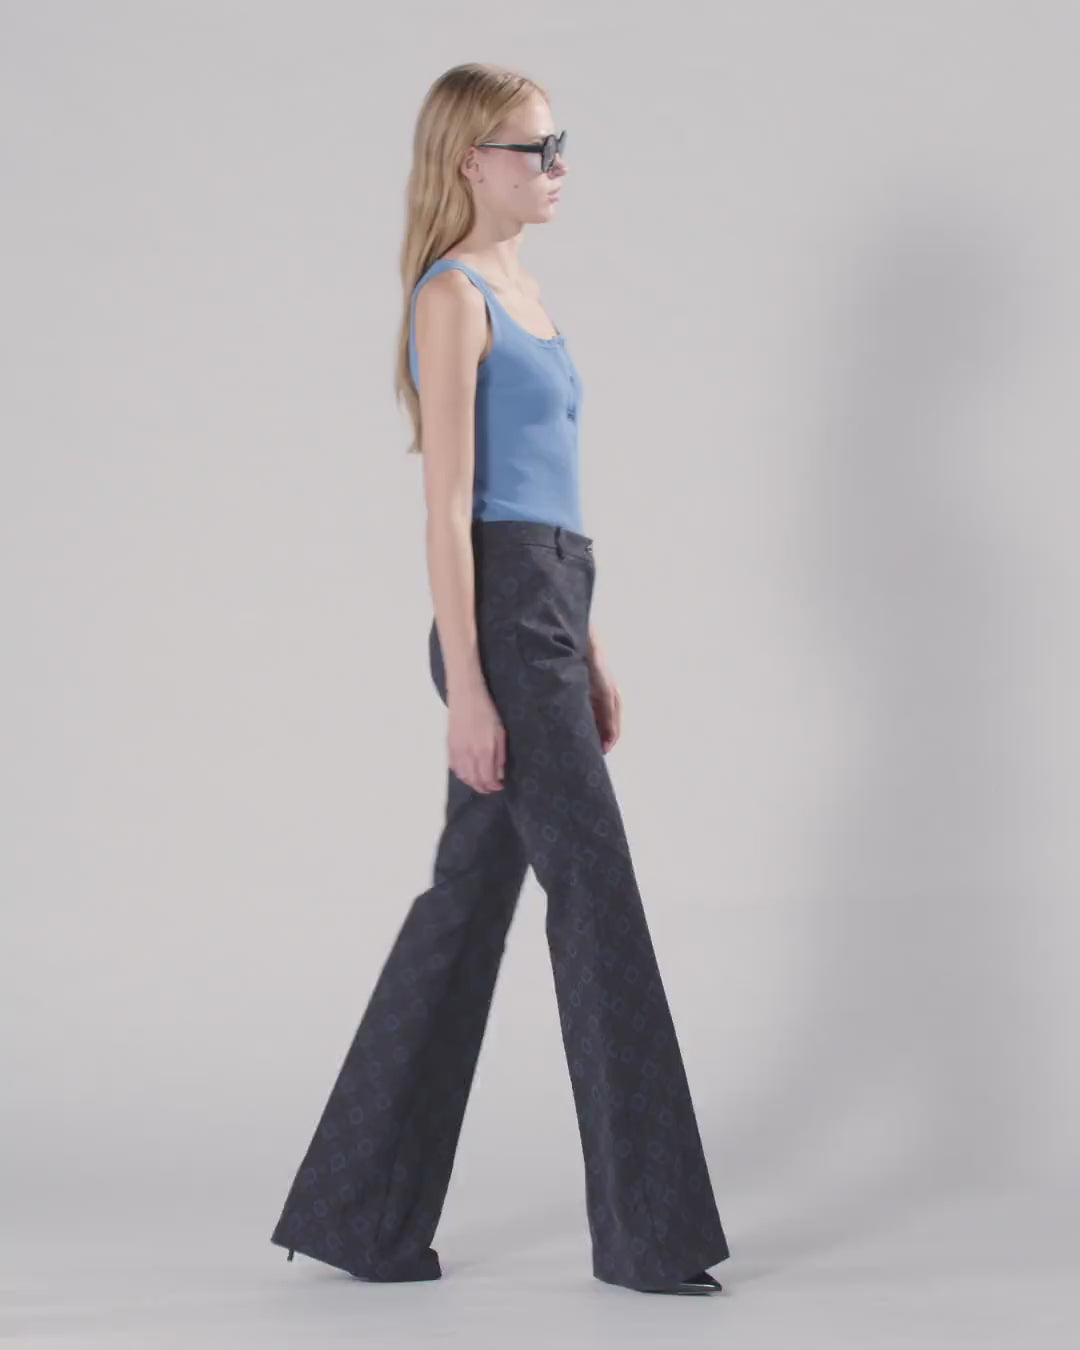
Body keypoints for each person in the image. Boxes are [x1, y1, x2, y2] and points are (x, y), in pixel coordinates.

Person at [268, 61, 730, 1296]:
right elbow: (451, 509)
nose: (557, 165)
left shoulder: (529, 292)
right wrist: (472, 689)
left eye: (560, 142)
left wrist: (591, 646)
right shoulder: (453, 295)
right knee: (598, 902)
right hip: (501, 621)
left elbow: (552, 497)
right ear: (472, 159)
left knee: (466, 907)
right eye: (536, 147)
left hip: (550, 608)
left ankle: (358, 1212)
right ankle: (650, 1236)